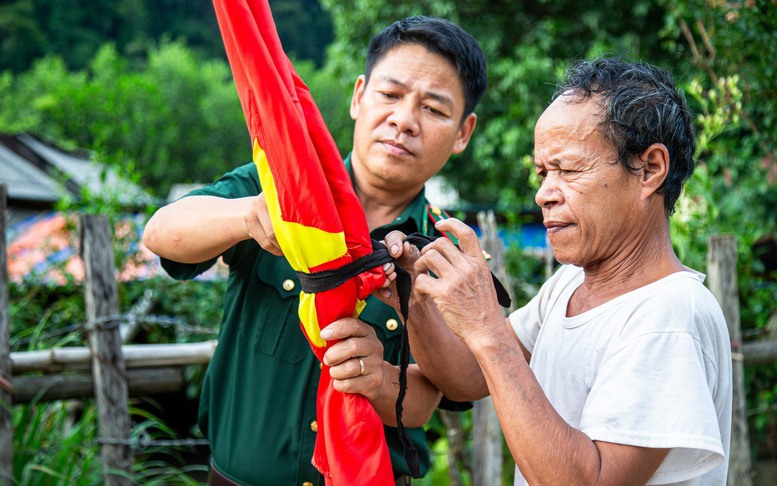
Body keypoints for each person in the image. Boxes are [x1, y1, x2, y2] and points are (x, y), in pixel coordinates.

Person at [142, 15, 488, 486]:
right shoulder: (277, 190)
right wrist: (247, 216)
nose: (404, 121)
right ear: (358, 96)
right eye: (390, 95)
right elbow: (162, 233)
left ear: (463, 132)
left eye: (433, 108)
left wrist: (378, 379)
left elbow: (432, 395)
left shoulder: (448, 253)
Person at [382, 57, 732, 484]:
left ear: (650, 169)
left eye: (567, 169)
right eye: (543, 173)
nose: (544, 194)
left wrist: (487, 328)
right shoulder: (571, 283)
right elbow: (467, 378)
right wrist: (417, 295)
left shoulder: (669, 315)